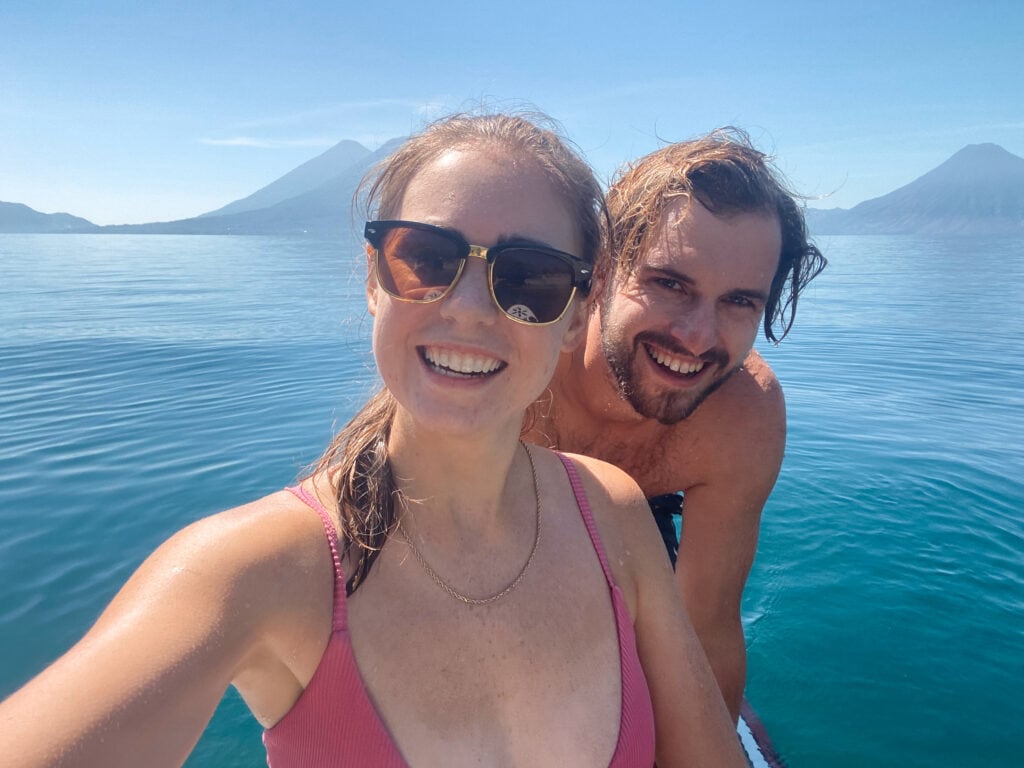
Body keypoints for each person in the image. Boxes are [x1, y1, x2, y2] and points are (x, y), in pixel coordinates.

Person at [1, 113, 747, 767]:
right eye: (424, 258)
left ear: (578, 314)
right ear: (372, 278)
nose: (466, 309)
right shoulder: (252, 573)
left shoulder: (611, 511)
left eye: (530, 278)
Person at [525, 129, 827, 723]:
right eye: (669, 284)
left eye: (739, 302)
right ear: (604, 269)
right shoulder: (520, 366)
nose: (697, 337)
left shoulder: (742, 415)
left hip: (647, 508)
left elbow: (707, 626)